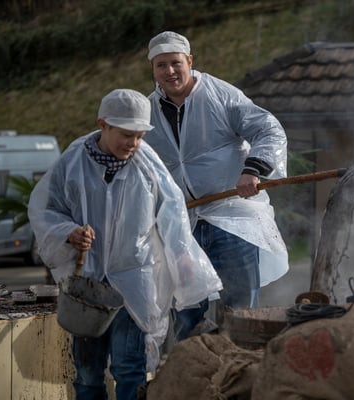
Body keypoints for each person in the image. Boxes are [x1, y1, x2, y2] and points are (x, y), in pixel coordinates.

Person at [27, 88, 222, 400]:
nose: (132, 143)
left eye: (139, 136)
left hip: (134, 281)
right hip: (88, 287)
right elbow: (44, 208)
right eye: (126, 134)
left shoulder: (148, 165)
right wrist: (68, 231)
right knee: (88, 373)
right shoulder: (72, 162)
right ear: (103, 124)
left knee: (130, 368)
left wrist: (182, 256)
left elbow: (173, 213)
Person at [143, 31, 289, 338]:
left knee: (241, 313)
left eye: (175, 62)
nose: (170, 71)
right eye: (161, 65)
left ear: (190, 61)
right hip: (181, 224)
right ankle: (195, 365)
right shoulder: (147, 111)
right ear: (153, 69)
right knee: (186, 313)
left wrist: (253, 170)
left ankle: (242, 365)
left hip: (231, 218)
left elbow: (268, 129)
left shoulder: (221, 95)